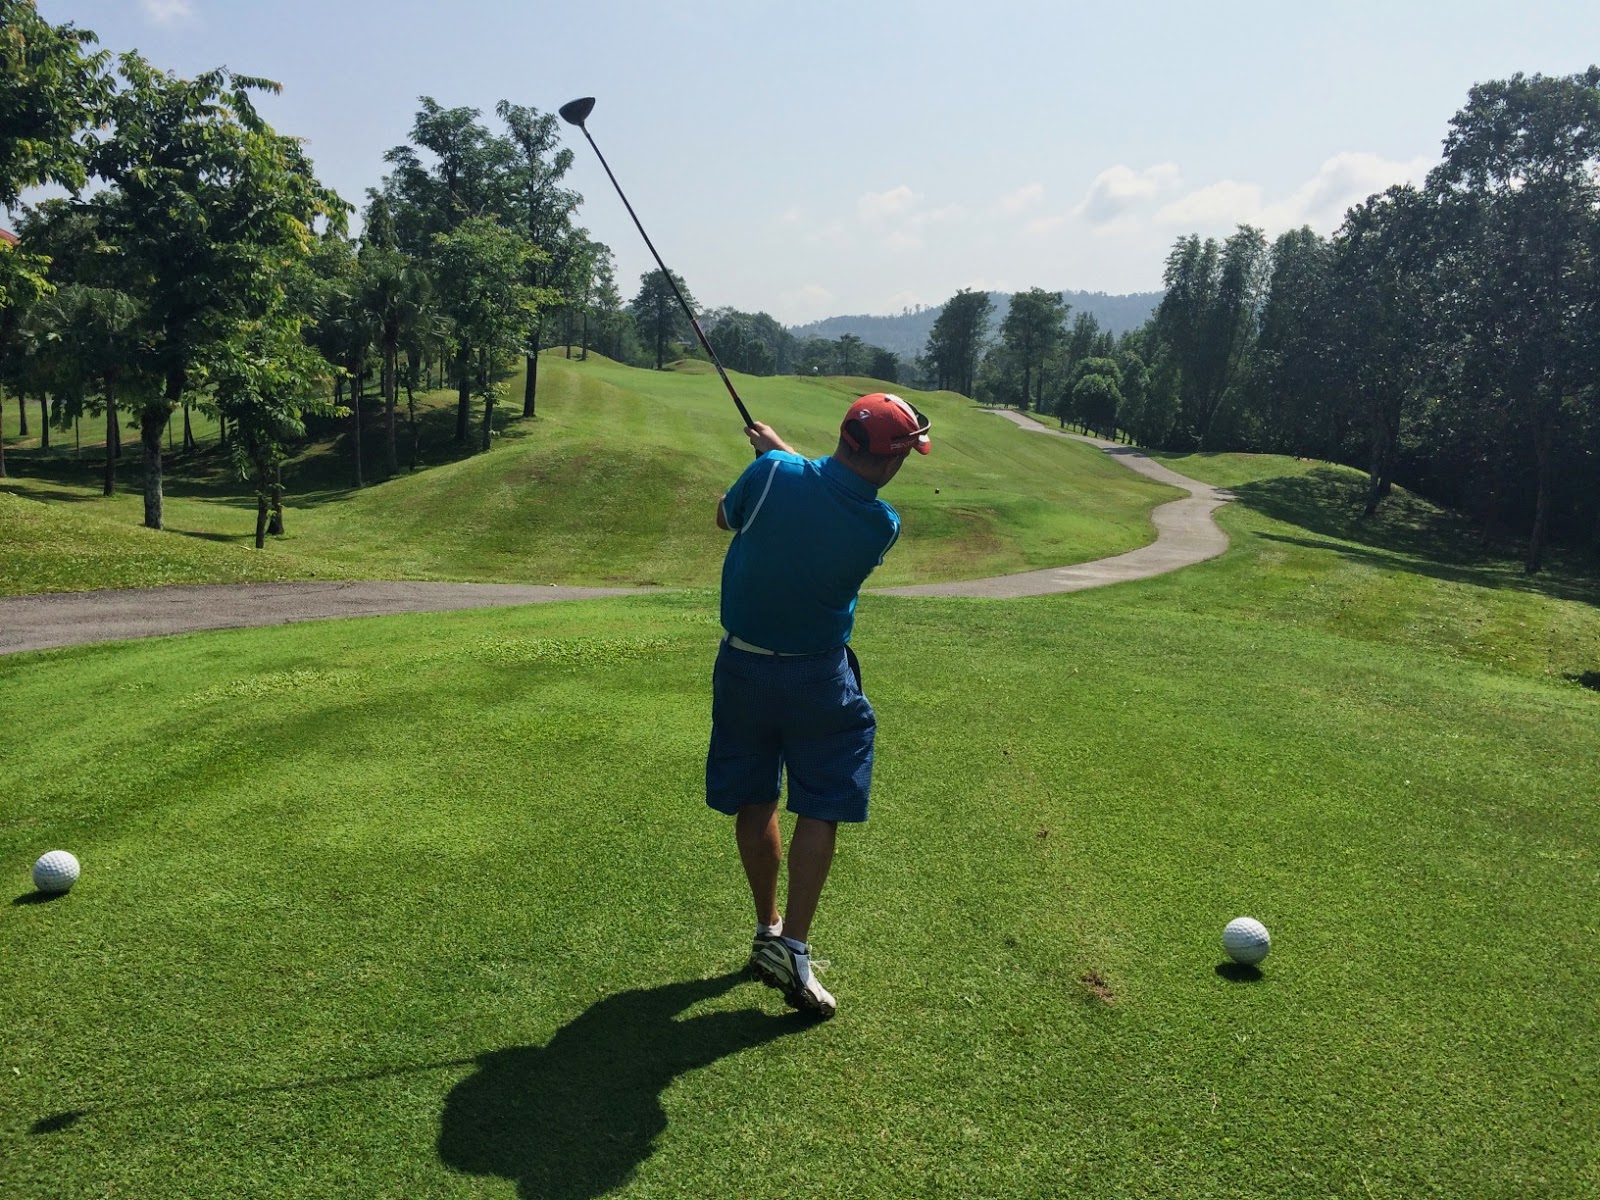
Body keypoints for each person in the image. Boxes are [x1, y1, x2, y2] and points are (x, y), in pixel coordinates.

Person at [707, 392, 931, 1018]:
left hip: (742, 668)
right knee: (823, 799)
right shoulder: (880, 526)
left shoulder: (771, 474)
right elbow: (829, 497)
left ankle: (767, 929)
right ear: (891, 461)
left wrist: (773, 458)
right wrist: (782, 456)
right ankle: (794, 947)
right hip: (817, 678)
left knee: (756, 798)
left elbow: (725, 517)